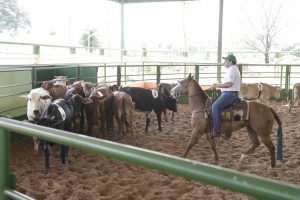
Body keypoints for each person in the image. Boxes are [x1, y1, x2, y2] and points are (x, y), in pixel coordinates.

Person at [211, 54, 241, 137]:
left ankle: (217, 130)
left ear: (230, 62)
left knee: (215, 107)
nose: (224, 62)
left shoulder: (232, 70)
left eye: (226, 60)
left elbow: (229, 84)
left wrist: (217, 85)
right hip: (229, 93)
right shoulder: (232, 69)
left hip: (230, 94)